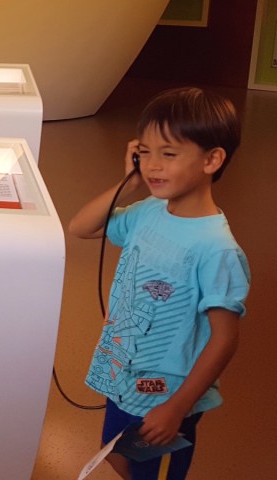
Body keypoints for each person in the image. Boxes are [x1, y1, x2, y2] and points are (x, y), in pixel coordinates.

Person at [69, 87, 249, 480]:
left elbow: (224, 338)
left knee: (154, 473)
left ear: (212, 159)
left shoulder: (216, 248)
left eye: (168, 154)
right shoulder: (148, 211)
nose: (154, 165)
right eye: (145, 151)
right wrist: (129, 181)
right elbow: (80, 227)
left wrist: (178, 408)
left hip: (165, 395)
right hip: (123, 378)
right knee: (118, 461)